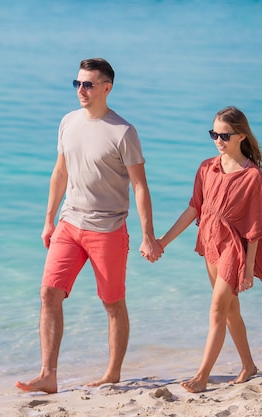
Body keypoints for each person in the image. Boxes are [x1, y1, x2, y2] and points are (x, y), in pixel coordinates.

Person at [15, 58, 163, 394]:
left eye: (88, 84)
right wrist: (49, 220)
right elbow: (60, 173)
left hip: (108, 230)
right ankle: (48, 374)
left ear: (106, 88)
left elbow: (140, 186)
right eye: (77, 84)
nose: (81, 90)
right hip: (70, 223)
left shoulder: (123, 132)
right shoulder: (68, 122)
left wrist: (148, 236)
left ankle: (112, 373)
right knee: (49, 293)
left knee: (112, 303)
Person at [155, 106, 262, 393]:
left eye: (224, 135)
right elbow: (193, 210)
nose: (218, 140)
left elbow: (256, 228)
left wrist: (248, 269)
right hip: (210, 242)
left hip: (234, 250)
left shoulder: (252, 177)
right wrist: (163, 241)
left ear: (240, 136)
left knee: (216, 310)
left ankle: (202, 375)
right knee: (229, 310)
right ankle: (248, 365)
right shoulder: (206, 167)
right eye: (214, 134)